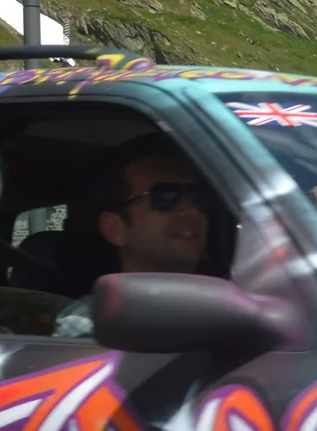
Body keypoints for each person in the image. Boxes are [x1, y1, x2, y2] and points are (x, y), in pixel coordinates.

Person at [49, 135, 221, 337]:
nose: (191, 210)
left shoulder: (242, 306)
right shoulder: (89, 325)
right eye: (165, 197)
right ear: (115, 229)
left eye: (198, 196)